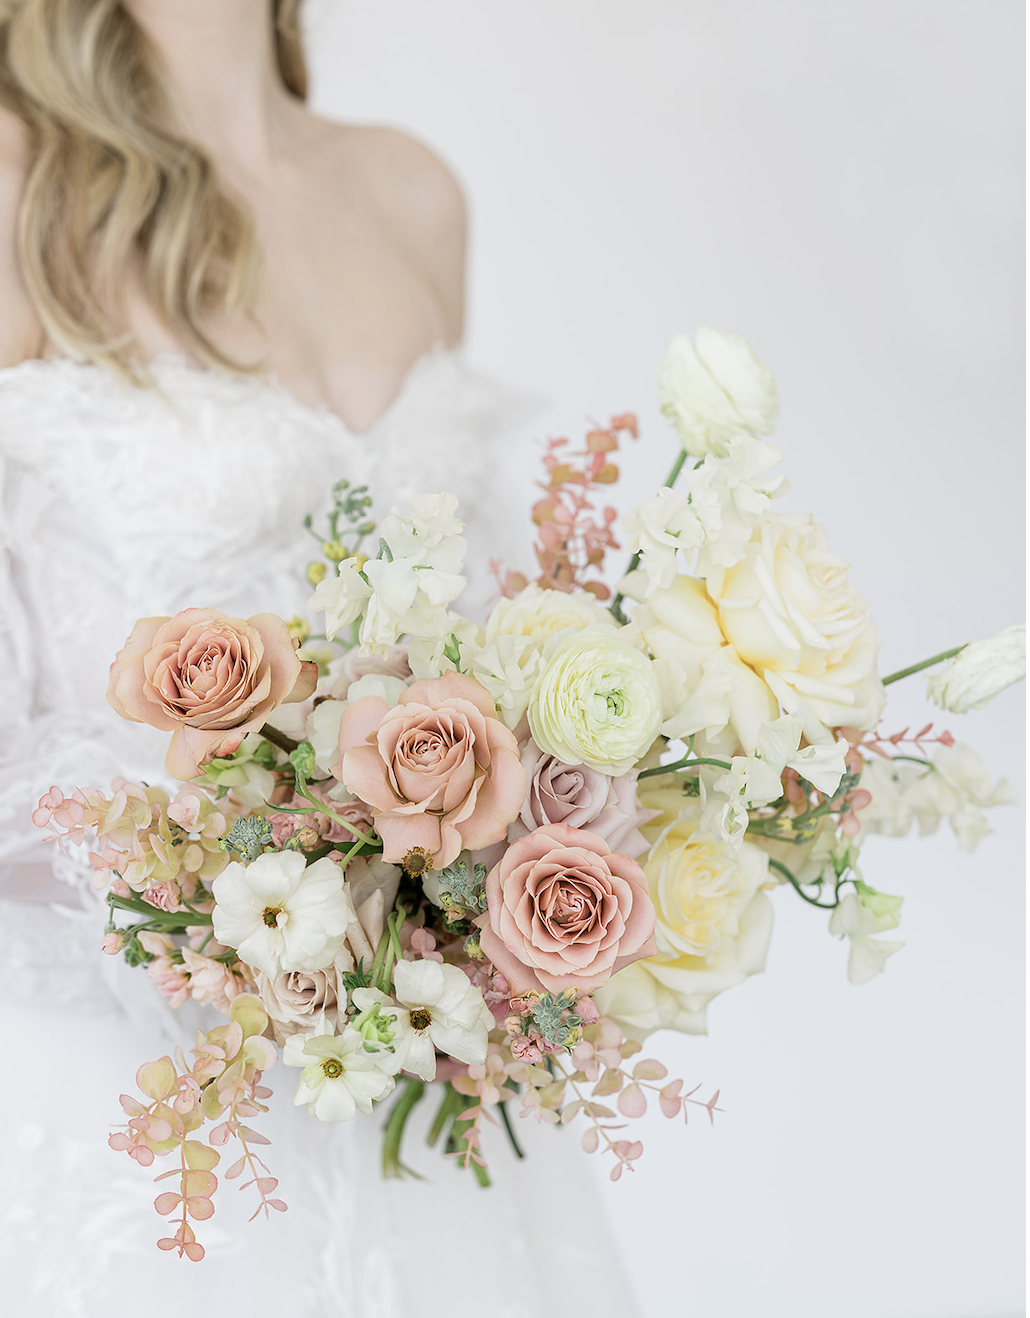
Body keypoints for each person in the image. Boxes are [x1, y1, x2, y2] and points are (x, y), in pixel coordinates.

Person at [0, 3, 639, 1313]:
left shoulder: (412, 190)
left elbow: (463, 623)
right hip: (122, 1088)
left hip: (401, 1065)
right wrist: (224, 874)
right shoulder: (18, 174)